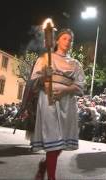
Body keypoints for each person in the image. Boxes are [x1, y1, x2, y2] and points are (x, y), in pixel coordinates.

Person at [30, 28, 85, 180]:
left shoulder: (75, 64)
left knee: (59, 144)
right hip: (48, 100)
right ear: (57, 41)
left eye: (70, 40)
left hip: (67, 103)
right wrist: (43, 77)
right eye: (64, 38)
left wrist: (65, 91)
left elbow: (80, 86)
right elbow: (34, 81)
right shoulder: (45, 58)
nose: (67, 42)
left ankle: (43, 166)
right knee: (53, 138)